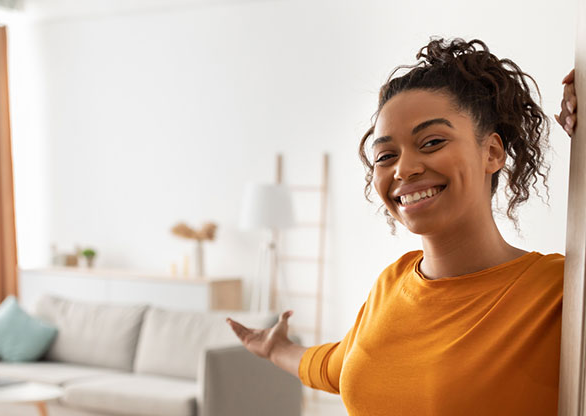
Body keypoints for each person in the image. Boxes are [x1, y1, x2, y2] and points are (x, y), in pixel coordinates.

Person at [226, 37, 578, 415]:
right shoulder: (391, 283)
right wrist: (275, 349)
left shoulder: (558, 293)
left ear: (491, 152)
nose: (403, 169)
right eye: (386, 155)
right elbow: (339, 366)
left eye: (431, 142)